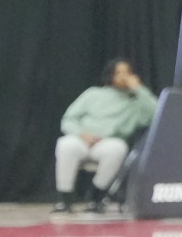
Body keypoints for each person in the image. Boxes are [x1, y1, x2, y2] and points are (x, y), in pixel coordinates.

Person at [53, 58, 156, 214]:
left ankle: (95, 197)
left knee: (118, 148)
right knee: (66, 144)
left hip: (108, 142)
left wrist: (139, 89)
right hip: (82, 139)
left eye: (127, 72)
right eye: (119, 72)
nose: (124, 76)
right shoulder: (93, 94)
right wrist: (81, 134)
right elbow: (68, 119)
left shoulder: (135, 102)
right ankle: (64, 199)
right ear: (111, 75)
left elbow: (157, 113)